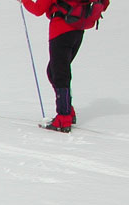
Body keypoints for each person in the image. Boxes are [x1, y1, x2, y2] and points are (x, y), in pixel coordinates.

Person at [19, 0, 109, 133]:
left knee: (59, 74)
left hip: (61, 30)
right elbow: (104, 3)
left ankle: (63, 118)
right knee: (54, 71)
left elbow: (38, 9)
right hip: (78, 30)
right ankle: (67, 110)